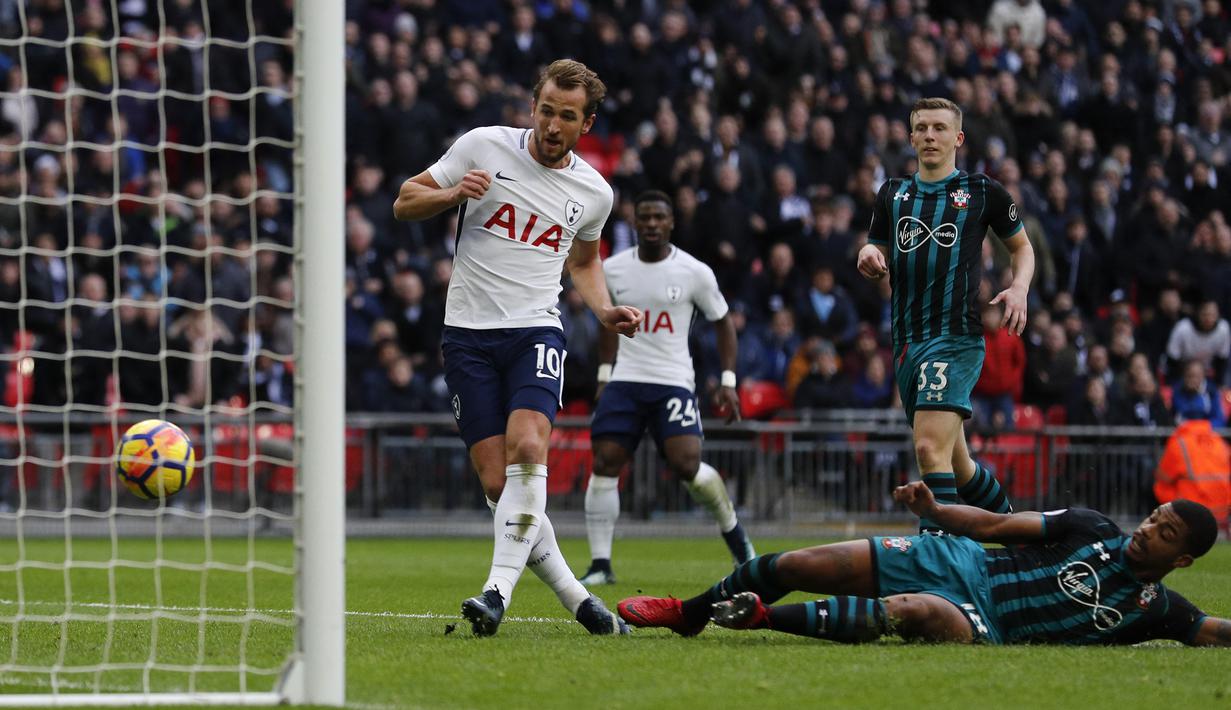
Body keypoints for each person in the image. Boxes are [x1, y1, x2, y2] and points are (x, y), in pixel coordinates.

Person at [392, 59, 642, 636]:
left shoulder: (595, 194)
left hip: (535, 329)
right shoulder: (483, 146)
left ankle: (495, 593)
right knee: (499, 487)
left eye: (568, 117)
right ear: (534, 107)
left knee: (528, 445)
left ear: (588, 123)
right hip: (467, 336)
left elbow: (583, 262)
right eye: (547, 111)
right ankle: (585, 605)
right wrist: (454, 193)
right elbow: (405, 202)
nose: (553, 126)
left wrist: (604, 309)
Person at [617, 483, 1231, 647]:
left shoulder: (1155, 609)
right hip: (961, 560)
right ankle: (689, 614)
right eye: (1153, 517)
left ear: (1181, 559)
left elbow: (1213, 632)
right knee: (804, 561)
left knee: (910, 613)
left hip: (984, 624)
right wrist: (937, 509)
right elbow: (993, 526)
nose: (1147, 529)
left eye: (1163, 532)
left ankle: (760, 621)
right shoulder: (1093, 527)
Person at [856, 97, 1036, 532]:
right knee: (960, 468)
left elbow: (1022, 247)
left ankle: (938, 559)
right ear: (911, 136)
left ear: (958, 138)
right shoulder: (892, 193)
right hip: (906, 340)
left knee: (927, 451)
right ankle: (1019, 537)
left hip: (954, 337)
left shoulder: (982, 191)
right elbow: (876, 246)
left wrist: (1019, 288)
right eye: (921, 128)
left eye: (939, 128)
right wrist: (867, 253)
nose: (930, 136)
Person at [579, 190, 753, 586]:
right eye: (645, 218)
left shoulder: (694, 272)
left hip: (672, 381)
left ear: (672, 222)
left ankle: (736, 535)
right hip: (625, 379)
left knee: (687, 464)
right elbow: (610, 323)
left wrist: (728, 380)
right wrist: (605, 375)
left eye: (660, 217)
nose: (653, 224)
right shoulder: (615, 268)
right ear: (634, 223)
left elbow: (723, 321)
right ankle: (600, 565)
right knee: (604, 461)